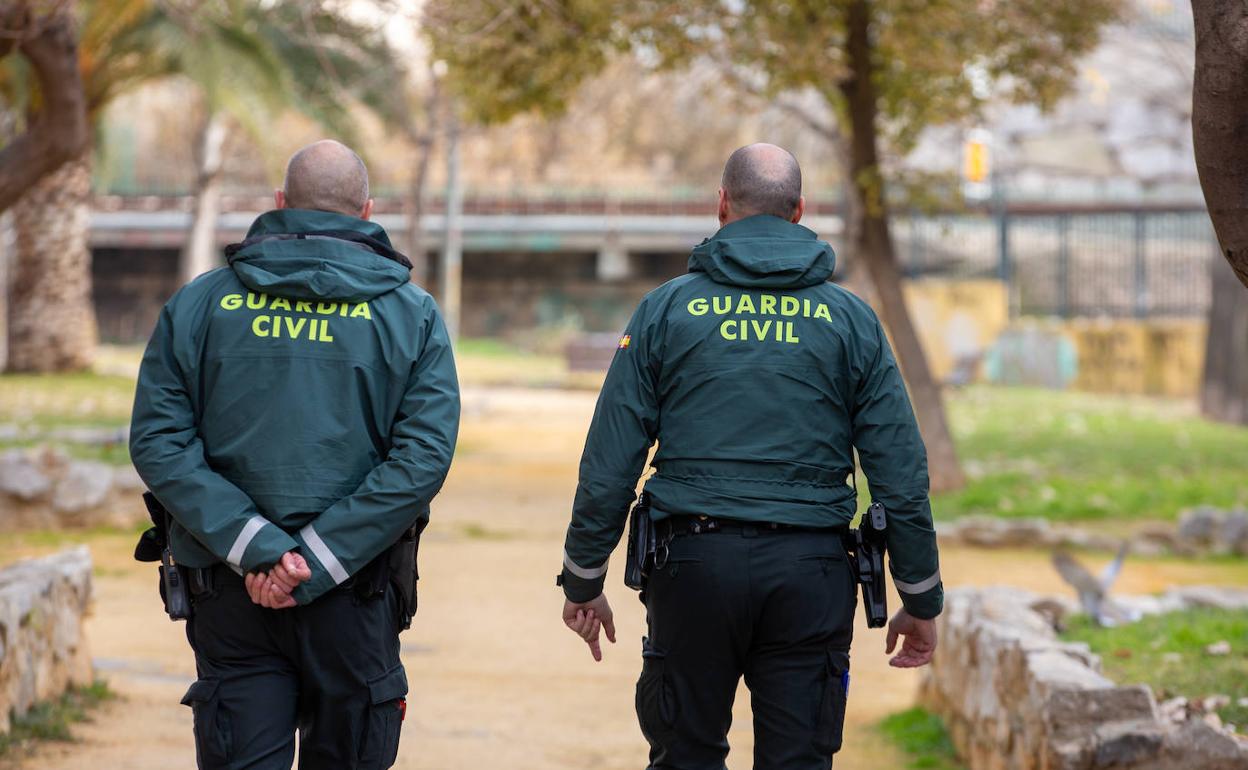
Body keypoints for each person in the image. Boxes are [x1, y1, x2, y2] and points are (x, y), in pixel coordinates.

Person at [557, 143, 943, 769]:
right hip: (812, 573)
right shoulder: (852, 320)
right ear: (799, 210)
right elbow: (899, 472)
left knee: (686, 757)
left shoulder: (667, 310)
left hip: (692, 570)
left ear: (721, 205)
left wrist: (583, 577)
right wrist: (920, 597)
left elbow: (611, 457)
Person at [129, 139, 460, 770]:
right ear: (367, 211)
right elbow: (422, 459)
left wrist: (258, 546)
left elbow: (158, 440)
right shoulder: (413, 315)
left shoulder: (200, 304)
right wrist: (313, 559)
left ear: (280, 205)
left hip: (230, 592)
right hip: (354, 591)